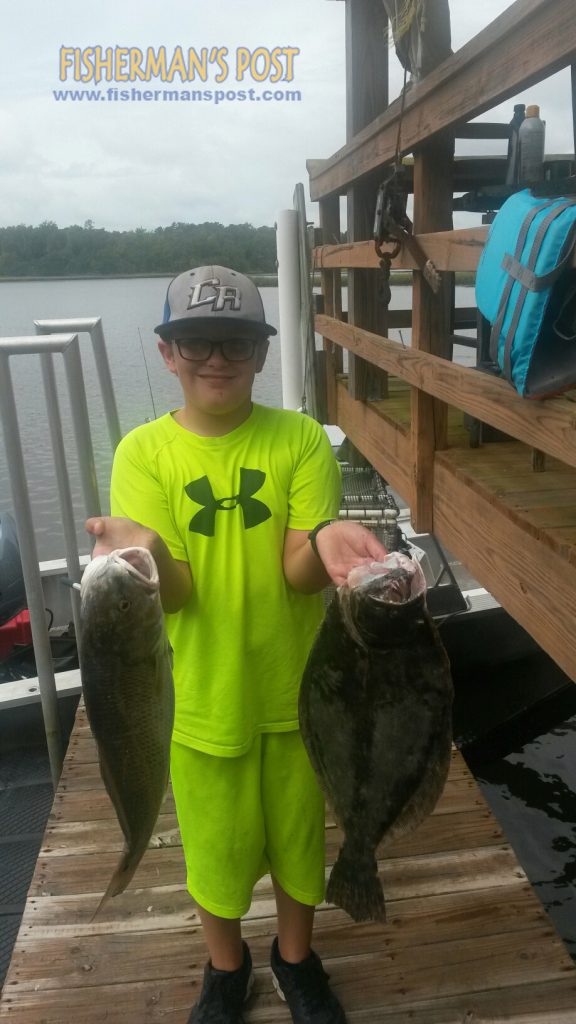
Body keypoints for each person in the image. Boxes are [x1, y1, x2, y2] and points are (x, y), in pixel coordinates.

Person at [86, 265, 387, 1024]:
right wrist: (146, 551)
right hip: (196, 700)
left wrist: (329, 543)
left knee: (297, 843)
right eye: (196, 342)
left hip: (297, 696)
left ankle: (296, 959)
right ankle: (226, 968)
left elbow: (295, 573)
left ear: (262, 354)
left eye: (236, 342)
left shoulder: (299, 441)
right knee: (212, 853)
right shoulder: (142, 453)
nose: (216, 358)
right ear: (166, 353)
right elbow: (175, 591)